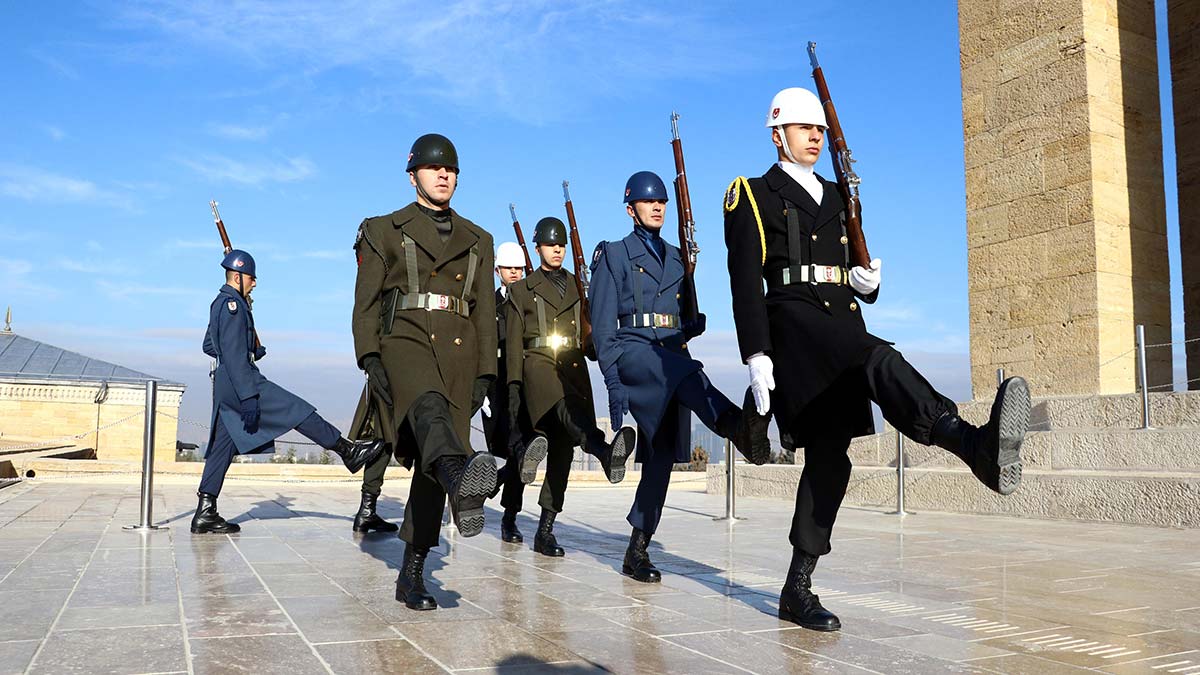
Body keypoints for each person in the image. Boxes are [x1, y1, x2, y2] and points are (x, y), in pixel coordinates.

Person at [723, 87, 1032, 632]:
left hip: (840, 320)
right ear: (777, 135)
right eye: (803, 129)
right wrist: (756, 354)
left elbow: (853, 268)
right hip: (793, 327)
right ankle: (970, 442)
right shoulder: (750, 194)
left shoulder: (840, 195)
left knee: (829, 456)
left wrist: (868, 285)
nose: (815, 137)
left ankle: (797, 588)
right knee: (877, 356)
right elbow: (744, 282)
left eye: (819, 129)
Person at [589, 171, 770, 583]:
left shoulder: (676, 257)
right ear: (630, 208)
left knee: (660, 456)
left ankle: (637, 549)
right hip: (635, 353)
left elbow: (683, 320)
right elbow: (602, 327)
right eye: (649, 202)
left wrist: (692, 323)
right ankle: (737, 426)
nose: (657, 207)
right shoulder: (613, 254)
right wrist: (613, 383)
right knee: (688, 371)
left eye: (663, 202)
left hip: (670, 357)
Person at [350, 133, 498, 611]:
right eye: (434, 168)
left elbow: (483, 314)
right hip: (404, 340)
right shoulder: (383, 229)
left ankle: (412, 572)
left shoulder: (479, 238)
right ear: (413, 174)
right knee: (432, 415)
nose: (443, 175)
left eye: (450, 169)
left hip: (459, 351)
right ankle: (463, 480)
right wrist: (369, 355)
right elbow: (366, 302)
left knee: (436, 462)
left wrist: (485, 373)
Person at [195, 250, 386, 534]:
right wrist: (248, 394)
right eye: (251, 277)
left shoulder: (221, 302)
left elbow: (210, 345)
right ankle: (347, 451)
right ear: (238, 276)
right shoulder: (233, 305)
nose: (255, 283)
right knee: (296, 410)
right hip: (241, 380)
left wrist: (250, 349)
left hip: (225, 382)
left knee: (222, 445)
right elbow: (234, 357)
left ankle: (205, 511)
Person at [506, 217, 636, 556]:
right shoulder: (522, 290)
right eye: (551, 245)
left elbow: (590, 345)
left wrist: (600, 333)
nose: (558, 249)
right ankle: (602, 449)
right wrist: (513, 389)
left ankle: (545, 531)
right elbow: (513, 345)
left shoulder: (580, 288)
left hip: (572, 365)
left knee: (562, 452)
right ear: (537, 249)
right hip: (538, 366)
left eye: (561, 244)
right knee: (565, 406)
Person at [482, 241, 547, 544]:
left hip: (525, 384)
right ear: (498, 271)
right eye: (509, 268)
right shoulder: (487, 306)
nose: (514, 273)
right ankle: (499, 500)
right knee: (512, 450)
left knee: (524, 450)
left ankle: (508, 516)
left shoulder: (532, 303)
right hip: (496, 386)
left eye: (519, 268)